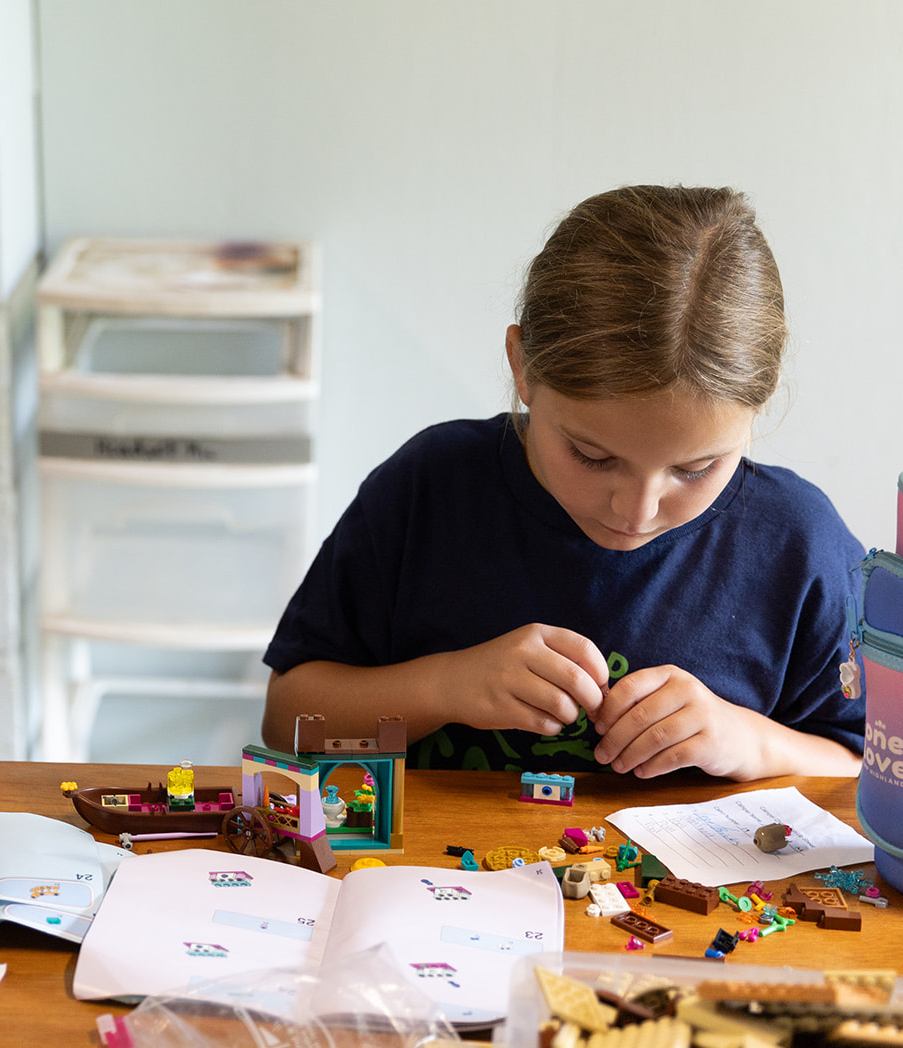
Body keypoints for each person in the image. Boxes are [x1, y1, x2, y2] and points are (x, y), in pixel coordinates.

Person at [262, 185, 863, 781]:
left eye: (695, 469)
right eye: (592, 456)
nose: (637, 510)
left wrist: (752, 743)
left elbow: (875, 767)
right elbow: (287, 723)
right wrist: (444, 687)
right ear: (522, 366)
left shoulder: (799, 544)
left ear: (756, 409)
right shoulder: (429, 489)